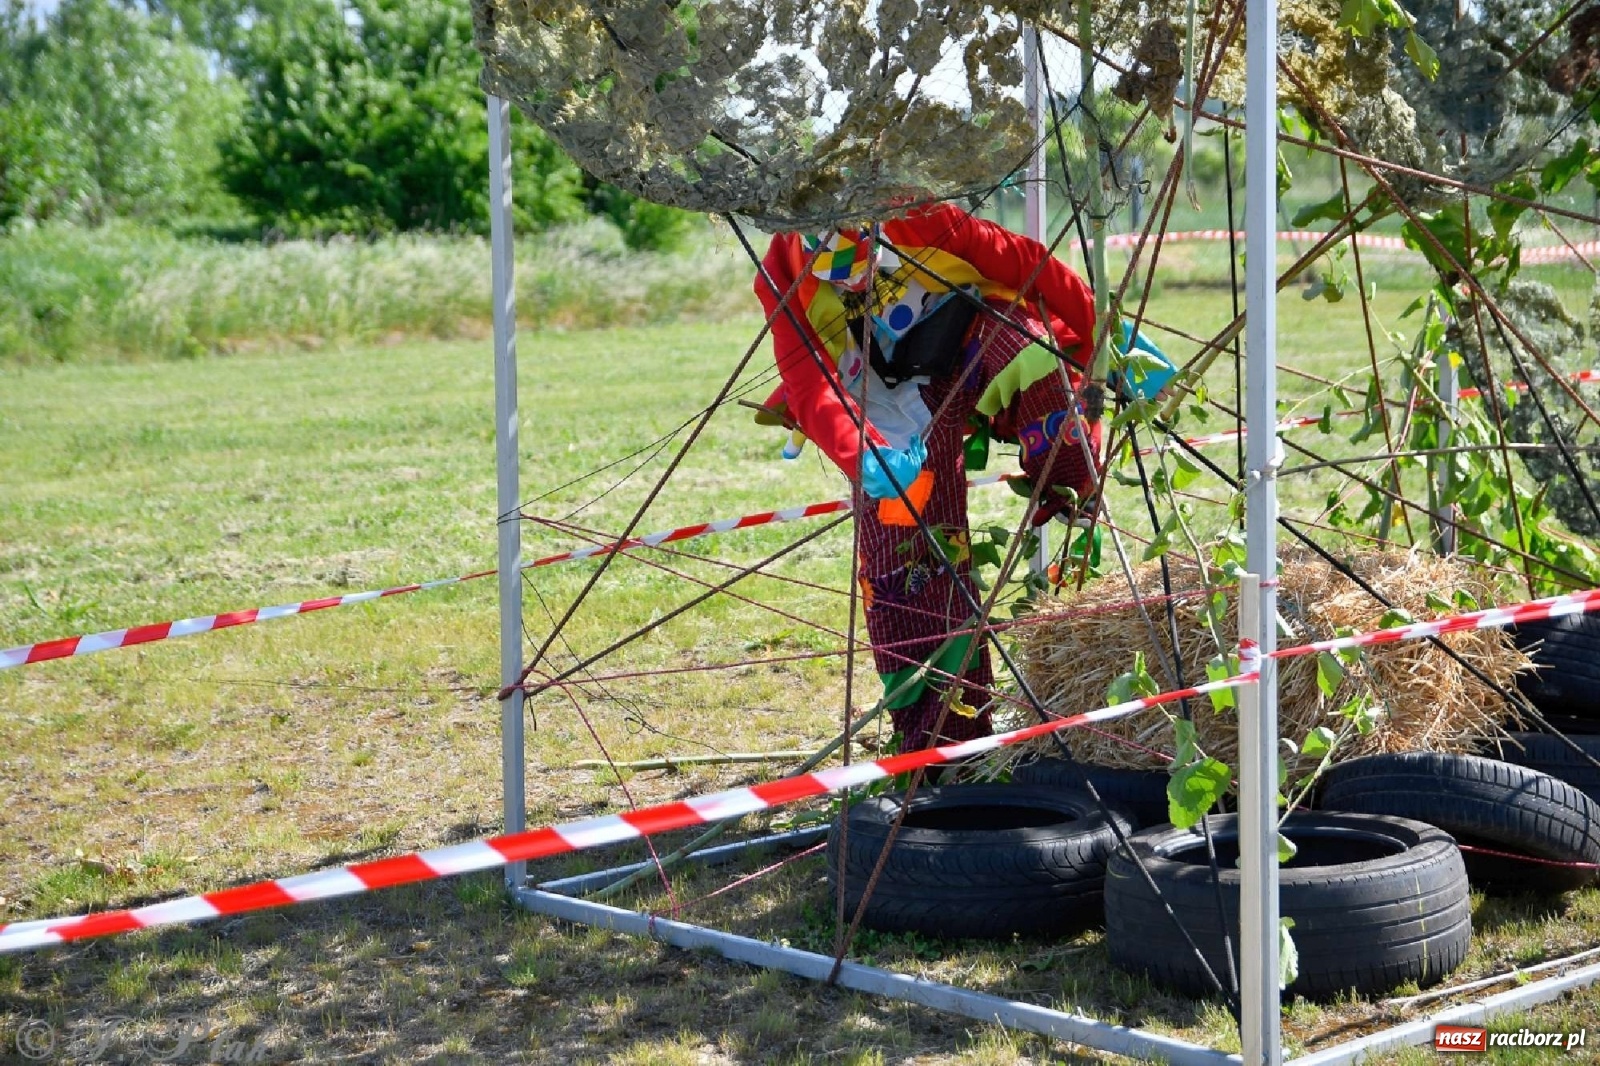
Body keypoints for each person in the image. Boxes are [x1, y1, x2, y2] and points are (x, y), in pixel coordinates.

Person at [751, 201, 1112, 754]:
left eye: (865, 267)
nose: (857, 283)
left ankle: (1070, 487)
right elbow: (808, 383)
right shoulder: (782, 275)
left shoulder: (919, 216)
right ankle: (947, 745)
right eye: (840, 278)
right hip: (881, 400)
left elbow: (1030, 265)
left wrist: (1100, 345)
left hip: (970, 336)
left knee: (1035, 357)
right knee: (907, 563)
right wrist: (864, 456)